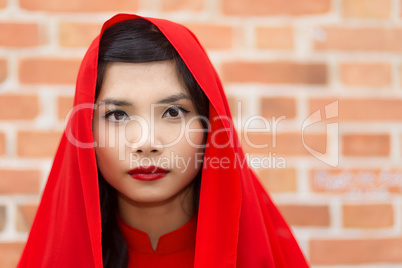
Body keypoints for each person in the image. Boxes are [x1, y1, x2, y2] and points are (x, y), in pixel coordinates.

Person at [18, 14, 309, 268]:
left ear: (210, 127)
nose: (146, 143)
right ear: (86, 130)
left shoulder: (269, 256)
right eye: (117, 115)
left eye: (172, 112)